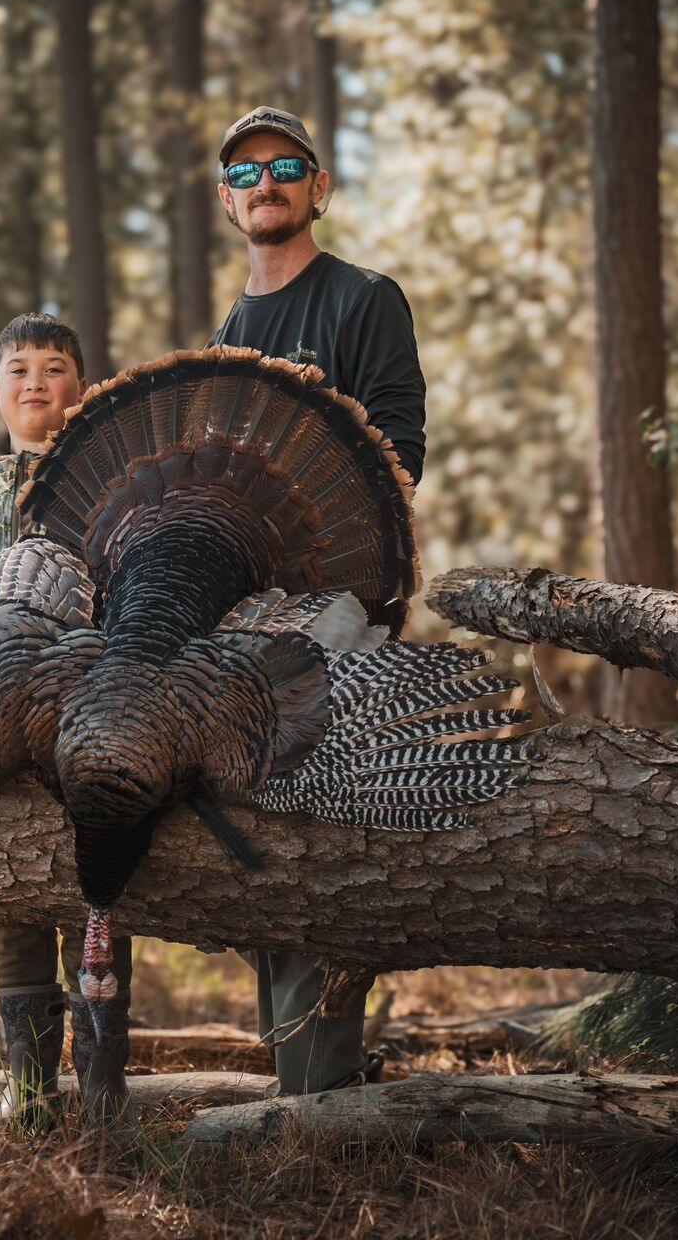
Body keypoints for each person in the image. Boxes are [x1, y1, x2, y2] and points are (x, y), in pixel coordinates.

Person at [208, 104, 429, 1094]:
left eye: (285, 167)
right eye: (245, 173)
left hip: (342, 604)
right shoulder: (228, 334)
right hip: (246, 615)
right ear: (227, 201)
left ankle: (322, 1093)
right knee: (254, 824)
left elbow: (401, 452)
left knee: (317, 820)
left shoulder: (364, 298)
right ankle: (300, 1079)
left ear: (319, 188)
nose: (266, 184)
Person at [0, 312, 134, 1127]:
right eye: (19, 370)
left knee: (99, 896)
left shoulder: (115, 484)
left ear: (82, 389)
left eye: (54, 368)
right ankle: (29, 1092)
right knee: (11, 899)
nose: (36, 382)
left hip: (92, 721)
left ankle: (105, 1096)